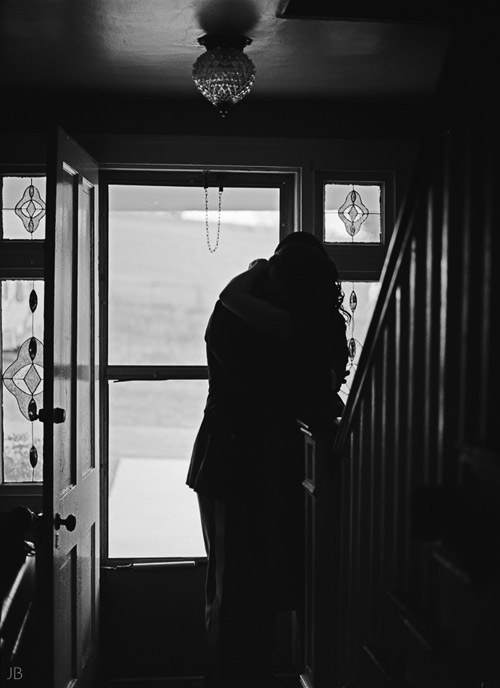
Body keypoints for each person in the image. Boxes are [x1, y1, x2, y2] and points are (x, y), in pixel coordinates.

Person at [186, 232, 349, 688]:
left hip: (256, 465)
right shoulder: (307, 325)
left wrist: (255, 272)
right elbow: (313, 385)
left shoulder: (239, 312)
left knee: (240, 592)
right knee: (238, 592)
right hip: (240, 465)